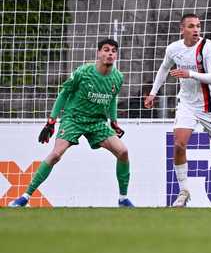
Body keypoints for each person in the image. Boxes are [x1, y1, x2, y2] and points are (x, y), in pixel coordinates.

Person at [9, 39, 133, 207]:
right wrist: (51, 121)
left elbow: (112, 99)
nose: (110, 53)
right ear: (98, 53)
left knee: (123, 151)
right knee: (56, 154)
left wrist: (114, 121)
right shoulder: (83, 72)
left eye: (113, 51)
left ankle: (123, 199)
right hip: (73, 118)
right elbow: (64, 93)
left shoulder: (118, 77)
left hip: (96, 122)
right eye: (106, 50)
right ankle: (24, 197)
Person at [144, 13, 211, 208]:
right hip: (187, 103)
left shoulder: (208, 48)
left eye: (198, 26)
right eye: (192, 26)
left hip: (210, 105)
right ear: (182, 29)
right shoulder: (173, 49)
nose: (196, 30)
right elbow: (163, 69)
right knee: (178, 145)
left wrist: (189, 74)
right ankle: (183, 191)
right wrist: (153, 93)